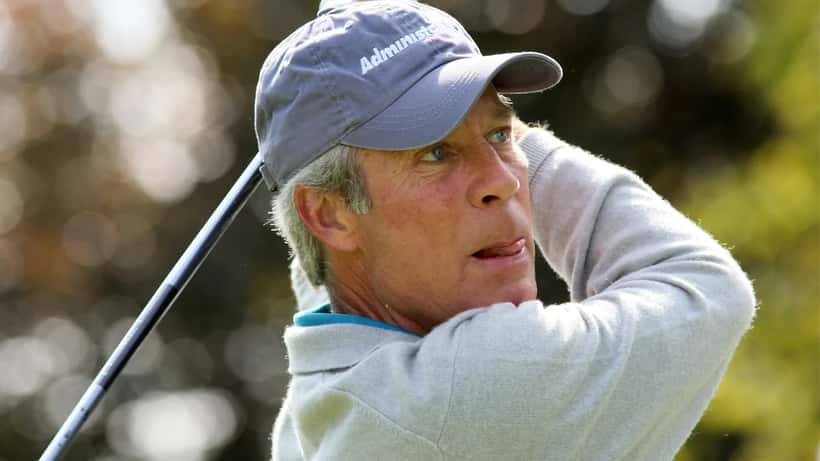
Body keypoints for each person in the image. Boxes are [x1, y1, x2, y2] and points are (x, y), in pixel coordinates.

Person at [254, 1, 756, 460]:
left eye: (501, 134)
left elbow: (323, 268)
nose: (505, 180)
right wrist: (530, 150)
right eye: (435, 152)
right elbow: (703, 287)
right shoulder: (472, 389)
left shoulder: (320, 393)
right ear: (329, 215)